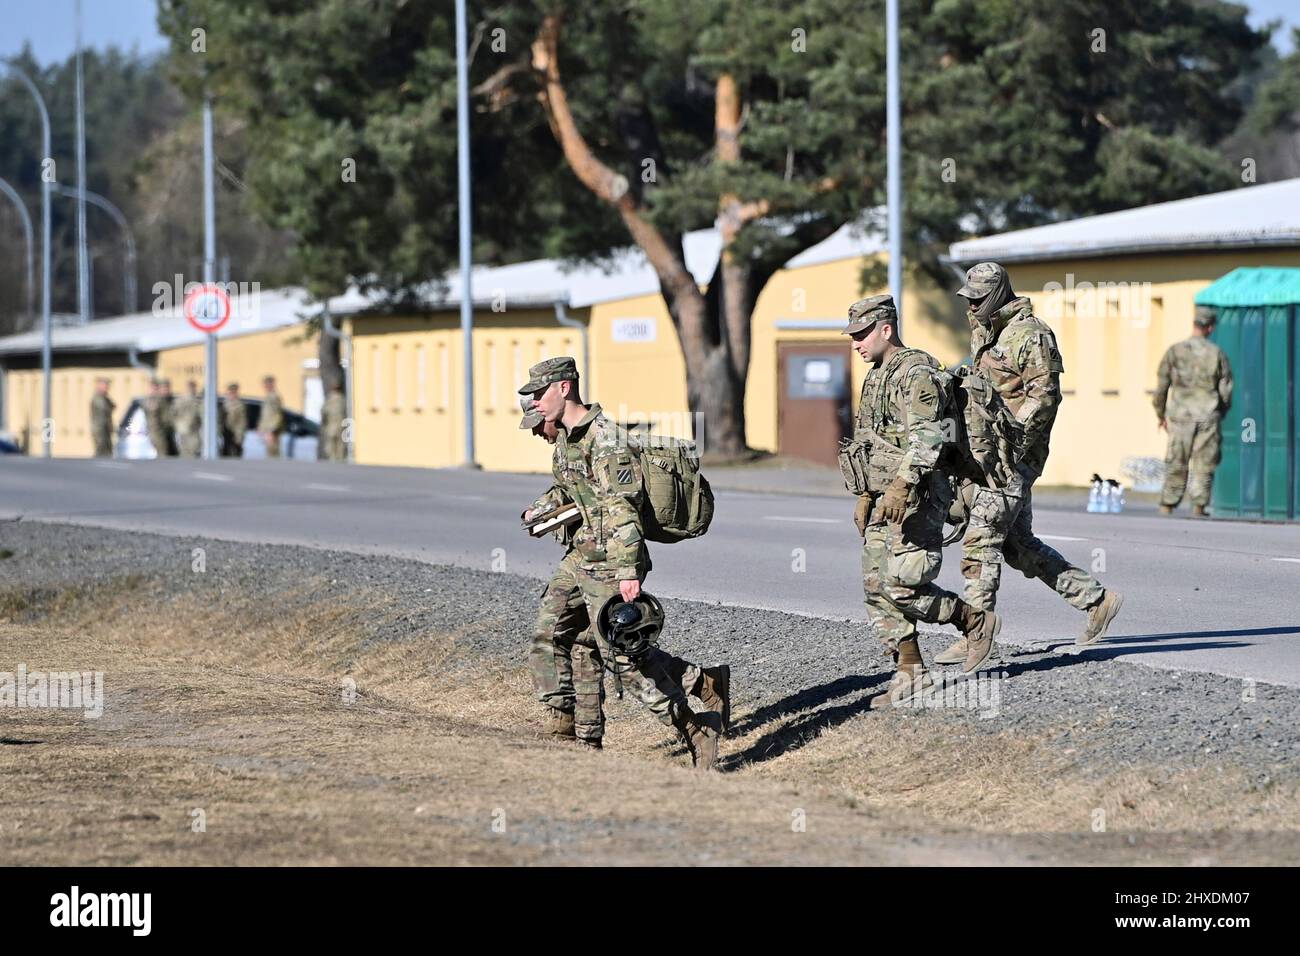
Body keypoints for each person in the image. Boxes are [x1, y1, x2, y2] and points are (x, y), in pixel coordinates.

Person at [520, 357, 724, 768]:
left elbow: (623, 508)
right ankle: (567, 729)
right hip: (580, 556)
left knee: (625, 660)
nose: (535, 404)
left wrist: (628, 571)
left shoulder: (606, 440)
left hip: (612, 563)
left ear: (564, 388)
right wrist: (539, 508)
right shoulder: (567, 440)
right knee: (550, 632)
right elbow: (568, 489)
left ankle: (695, 729)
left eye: (539, 394)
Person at [936, 262, 1123, 666]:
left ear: (999, 293)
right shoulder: (988, 331)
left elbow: (1045, 397)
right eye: (967, 299)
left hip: (1013, 457)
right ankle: (1095, 599)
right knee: (1017, 546)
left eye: (978, 299)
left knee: (981, 540)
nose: (971, 306)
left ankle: (975, 633)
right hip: (988, 453)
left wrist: (1014, 445)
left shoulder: (1033, 335)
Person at [843, 295, 1000, 709]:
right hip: (883, 495)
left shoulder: (918, 372)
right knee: (875, 588)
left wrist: (901, 486)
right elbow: (867, 440)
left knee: (902, 585)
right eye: (853, 336)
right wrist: (864, 494)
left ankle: (973, 620)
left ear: (886, 329)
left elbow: (929, 437)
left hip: (920, 494)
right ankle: (911, 673)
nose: (856, 343)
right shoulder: (876, 375)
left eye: (862, 334)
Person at [1154, 305, 1233, 517]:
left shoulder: (1174, 351)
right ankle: (1199, 505)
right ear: (1210, 327)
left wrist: (1160, 414)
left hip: (1180, 416)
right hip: (1208, 415)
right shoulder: (1217, 353)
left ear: (1195, 325)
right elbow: (1226, 388)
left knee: (1176, 460)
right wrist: (1221, 411)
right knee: (1204, 462)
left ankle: (1168, 504)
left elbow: (1161, 386)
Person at [173, 380, 203, 458]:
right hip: (185, 427)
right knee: (186, 448)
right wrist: (178, 423)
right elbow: (175, 413)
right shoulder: (181, 400)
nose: (192, 389)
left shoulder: (197, 400)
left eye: (193, 387)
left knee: (194, 447)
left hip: (194, 428)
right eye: (190, 387)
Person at [260, 375, 286, 458]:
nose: (265, 386)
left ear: (272, 384)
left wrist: (272, 430)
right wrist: (262, 428)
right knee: (270, 453)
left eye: (267, 384)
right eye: (265, 384)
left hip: (272, 429)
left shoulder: (274, 397)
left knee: (273, 454)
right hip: (268, 429)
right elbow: (266, 415)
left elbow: (277, 415)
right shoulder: (268, 396)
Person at [321, 383, 347, 461]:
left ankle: (332, 458)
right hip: (341, 424)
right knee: (340, 443)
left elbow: (323, 412)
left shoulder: (329, 399)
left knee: (330, 443)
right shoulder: (343, 399)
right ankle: (340, 458)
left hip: (331, 425)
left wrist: (324, 423)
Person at [90, 378, 115, 457]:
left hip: (106, 428)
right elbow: (105, 408)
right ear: (100, 385)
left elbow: (113, 406)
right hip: (99, 429)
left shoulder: (105, 397)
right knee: (100, 449)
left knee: (108, 450)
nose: (107, 387)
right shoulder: (97, 397)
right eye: (105, 385)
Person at [222, 382, 247, 458]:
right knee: (225, 455)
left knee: (236, 455)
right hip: (225, 434)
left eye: (233, 392)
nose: (231, 394)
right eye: (230, 392)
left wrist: (239, 435)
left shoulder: (240, 405)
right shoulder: (225, 404)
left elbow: (242, 422)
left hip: (235, 434)